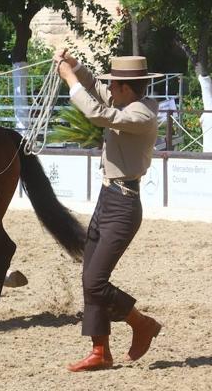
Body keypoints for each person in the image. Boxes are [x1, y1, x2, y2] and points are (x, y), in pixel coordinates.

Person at [55, 50, 163, 372]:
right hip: (108, 198)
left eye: (112, 84)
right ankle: (100, 351)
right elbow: (94, 87)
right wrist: (74, 65)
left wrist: (69, 80)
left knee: (95, 280)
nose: (108, 88)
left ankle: (141, 323)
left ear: (125, 88)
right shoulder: (125, 101)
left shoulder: (140, 115)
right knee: (90, 275)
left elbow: (97, 113)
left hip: (124, 205)